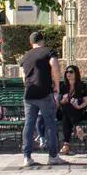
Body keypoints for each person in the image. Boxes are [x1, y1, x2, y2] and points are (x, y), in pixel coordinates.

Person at [20, 31, 62, 167]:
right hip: (44, 92)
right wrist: (57, 86)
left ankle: (27, 156)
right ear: (42, 41)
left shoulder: (25, 56)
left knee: (29, 124)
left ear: (31, 42)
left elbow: (23, 77)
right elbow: (55, 67)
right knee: (50, 123)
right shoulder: (48, 52)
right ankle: (53, 156)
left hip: (29, 93)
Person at [58, 65, 87, 154]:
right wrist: (62, 101)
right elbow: (58, 102)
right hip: (65, 110)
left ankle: (66, 145)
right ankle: (77, 126)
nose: (68, 74)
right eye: (67, 72)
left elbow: (85, 101)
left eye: (71, 72)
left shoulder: (82, 86)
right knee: (67, 107)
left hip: (78, 110)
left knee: (66, 117)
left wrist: (78, 106)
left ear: (76, 73)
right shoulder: (63, 86)